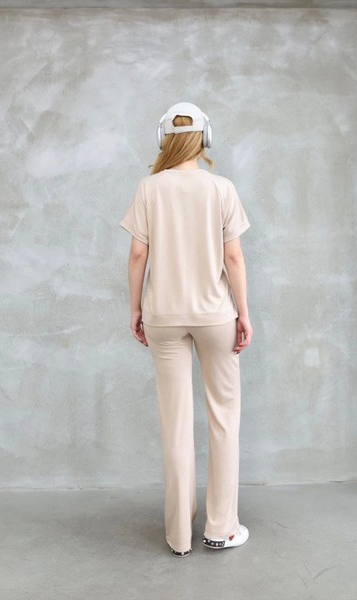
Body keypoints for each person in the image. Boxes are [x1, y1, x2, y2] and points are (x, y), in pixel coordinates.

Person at [120, 101, 253, 558]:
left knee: (174, 421)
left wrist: (135, 308)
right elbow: (233, 257)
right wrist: (244, 313)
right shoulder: (221, 188)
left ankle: (178, 536)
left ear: (163, 138)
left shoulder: (148, 188)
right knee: (224, 417)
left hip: (163, 315)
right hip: (216, 315)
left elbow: (138, 255)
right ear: (205, 138)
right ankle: (221, 528)